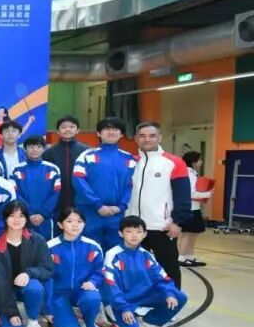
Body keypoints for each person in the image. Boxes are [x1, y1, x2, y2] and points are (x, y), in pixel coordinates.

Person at [126, 121, 191, 290]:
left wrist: (177, 221)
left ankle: (172, 301)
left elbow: (183, 195)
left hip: (162, 227)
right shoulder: (130, 162)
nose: (147, 139)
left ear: (160, 138)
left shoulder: (174, 162)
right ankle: (141, 300)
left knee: (168, 268)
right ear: (136, 138)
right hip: (134, 228)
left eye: (152, 136)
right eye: (142, 136)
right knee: (137, 269)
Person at [103, 215, 188, 327]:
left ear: (144, 234)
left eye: (138, 232)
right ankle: (107, 315)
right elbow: (111, 285)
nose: (134, 235)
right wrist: (124, 308)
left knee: (179, 296)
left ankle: (150, 322)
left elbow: (162, 277)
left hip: (143, 296)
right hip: (122, 300)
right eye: (129, 231)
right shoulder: (112, 255)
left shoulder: (147, 255)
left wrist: (169, 293)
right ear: (121, 233)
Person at [72, 117, 136, 251]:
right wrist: (98, 204)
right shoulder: (86, 156)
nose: (111, 132)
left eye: (115, 129)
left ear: (122, 134)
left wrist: (121, 206)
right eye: (107, 129)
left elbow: (131, 185)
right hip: (90, 213)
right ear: (99, 133)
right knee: (89, 252)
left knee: (115, 252)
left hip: (117, 214)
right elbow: (78, 181)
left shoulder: (129, 158)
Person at [0, 201, 52, 327]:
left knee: (34, 287)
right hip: (3, 291)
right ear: (5, 218)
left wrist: (28, 273)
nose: (16, 220)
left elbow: (47, 269)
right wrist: (12, 312)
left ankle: (33, 323)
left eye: (21, 216)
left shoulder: (37, 240)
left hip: (26, 287)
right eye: (12, 216)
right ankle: (13, 311)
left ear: (26, 218)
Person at [47, 207, 109, 327]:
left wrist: (92, 282)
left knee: (92, 297)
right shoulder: (50, 247)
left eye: (79, 221)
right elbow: (46, 278)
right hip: (59, 295)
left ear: (84, 224)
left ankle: (90, 324)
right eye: (69, 221)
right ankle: (66, 313)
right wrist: (48, 308)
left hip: (81, 291)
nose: (75, 225)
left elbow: (99, 271)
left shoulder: (93, 246)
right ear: (60, 224)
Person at [10, 136, 61, 238]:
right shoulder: (16, 170)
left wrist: (43, 214)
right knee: (25, 245)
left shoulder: (53, 169)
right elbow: (15, 193)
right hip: (23, 217)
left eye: (38, 147)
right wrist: (28, 213)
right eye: (31, 147)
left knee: (45, 246)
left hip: (46, 219)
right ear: (25, 149)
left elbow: (55, 194)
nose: (35, 150)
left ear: (44, 149)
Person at [42, 115, 89, 212]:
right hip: (56, 201)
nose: (67, 129)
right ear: (58, 132)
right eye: (63, 127)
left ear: (78, 130)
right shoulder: (48, 152)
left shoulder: (86, 151)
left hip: (81, 200)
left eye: (71, 127)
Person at [180, 151, 211, 267]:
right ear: (193, 162)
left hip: (195, 208)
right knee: (187, 234)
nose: (201, 162)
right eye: (199, 160)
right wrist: (207, 194)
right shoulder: (189, 174)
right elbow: (191, 193)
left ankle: (189, 256)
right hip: (190, 208)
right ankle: (181, 257)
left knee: (194, 233)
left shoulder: (193, 173)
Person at [0, 83, 35, 148]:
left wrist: (29, 122)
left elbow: (20, 133)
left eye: (1, 110)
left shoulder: (6, 125)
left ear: (5, 114)